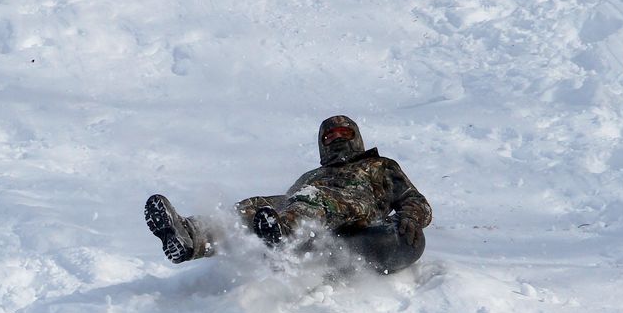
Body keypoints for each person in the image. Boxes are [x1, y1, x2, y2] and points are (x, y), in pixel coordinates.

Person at [144, 115, 432, 274]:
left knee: (313, 199)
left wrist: (410, 216)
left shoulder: (378, 166)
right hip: (309, 208)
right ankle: (191, 236)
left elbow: (416, 201)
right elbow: (292, 201)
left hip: (355, 210)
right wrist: (268, 214)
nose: (338, 139)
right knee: (256, 205)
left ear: (356, 137)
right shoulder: (311, 176)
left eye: (344, 134)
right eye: (330, 137)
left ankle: (286, 235)